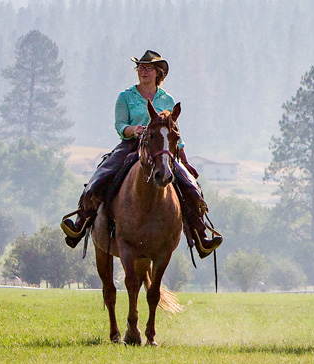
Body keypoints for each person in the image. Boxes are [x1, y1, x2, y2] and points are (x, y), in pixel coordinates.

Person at [60, 50, 224, 256]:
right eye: (140, 67)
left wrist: (184, 161)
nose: (143, 71)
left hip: (162, 150)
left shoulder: (167, 99)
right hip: (131, 145)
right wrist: (132, 130)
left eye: (148, 68)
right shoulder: (126, 96)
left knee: (191, 187)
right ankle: (80, 224)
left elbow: (174, 134)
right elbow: (120, 124)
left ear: (158, 72)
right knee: (101, 176)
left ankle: (201, 235)